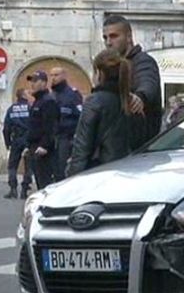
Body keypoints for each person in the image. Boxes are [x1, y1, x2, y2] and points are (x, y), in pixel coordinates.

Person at [66, 49, 146, 177]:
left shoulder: (95, 101)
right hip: (130, 173)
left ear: (99, 73)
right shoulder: (133, 102)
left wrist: (71, 178)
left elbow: (82, 148)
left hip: (100, 173)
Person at [102, 15, 162, 144]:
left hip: (139, 147)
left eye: (114, 36)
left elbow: (148, 81)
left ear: (129, 37)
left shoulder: (142, 60)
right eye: (105, 37)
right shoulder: (114, 65)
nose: (108, 42)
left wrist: (140, 97)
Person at [26, 70, 59, 190]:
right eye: (31, 81)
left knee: (45, 183)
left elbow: (51, 126)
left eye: (36, 81)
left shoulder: (48, 101)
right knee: (40, 182)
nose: (32, 84)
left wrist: (45, 145)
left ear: (44, 83)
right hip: (35, 147)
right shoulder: (38, 101)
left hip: (43, 150)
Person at [50, 67, 83, 181]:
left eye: (56, 75)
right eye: (52, 75)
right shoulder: (52, 96)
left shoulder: (72, 95)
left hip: (66, 138)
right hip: (53, 139)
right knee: (53, 170)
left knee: (63, 170)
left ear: (64, 76)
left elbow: (80, 117)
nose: (53, 78)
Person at [2, 88, 32, 199]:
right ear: (23, 95)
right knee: (29, 166)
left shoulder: (11, 109)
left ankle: (13, 189)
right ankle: (24, 189)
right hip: (28, 139)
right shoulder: (30, 108)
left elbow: (6, 128)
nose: (29, 95)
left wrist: (7, 143)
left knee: (12, 166)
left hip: (16, 140)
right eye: (27, 93)